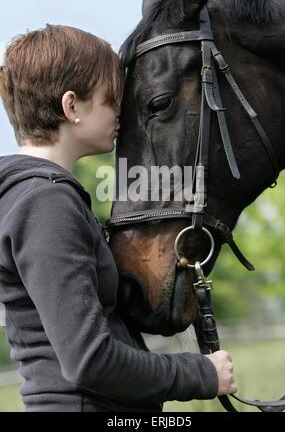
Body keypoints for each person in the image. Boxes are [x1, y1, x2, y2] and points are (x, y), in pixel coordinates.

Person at [0, 25, 237, 412]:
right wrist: (202, 374)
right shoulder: (45, 203)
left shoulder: (35, 196)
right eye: (112, 99)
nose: (122, 113)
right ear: (71, 107)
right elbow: (89, 360)